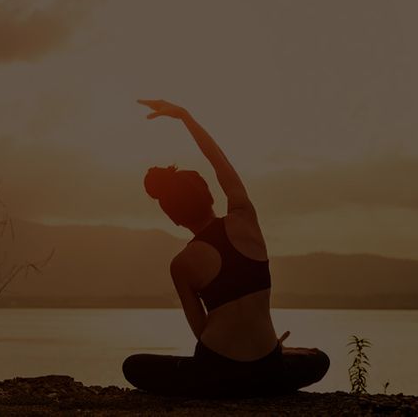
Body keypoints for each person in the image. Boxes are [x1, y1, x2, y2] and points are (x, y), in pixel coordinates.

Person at [122, 99, 329, 398]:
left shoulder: (181, 265)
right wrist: (184, 116)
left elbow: (201, 331)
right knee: (318, 358)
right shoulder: (246, 219)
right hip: (267, 370)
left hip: (216, 375)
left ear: (174, 219)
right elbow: (220, 162)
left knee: (135, 366)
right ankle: (272, 367)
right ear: (209, 195)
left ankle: (226, 383)